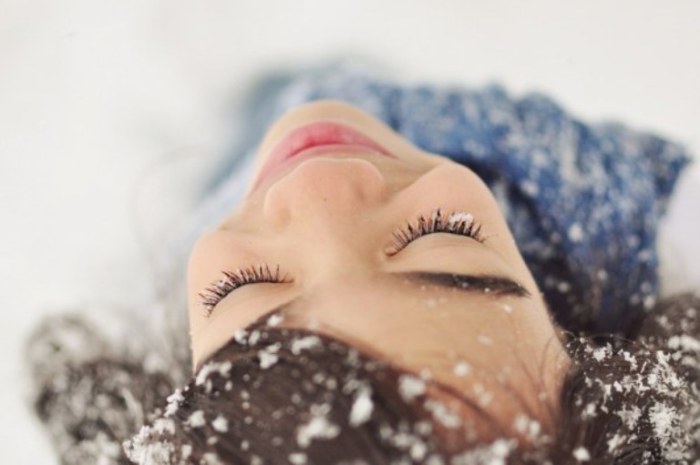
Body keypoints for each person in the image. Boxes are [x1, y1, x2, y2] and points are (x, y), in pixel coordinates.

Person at [27, 64, 700, 465]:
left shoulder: (153, 368)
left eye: (246, 287)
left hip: (227, 171)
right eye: (439, 234)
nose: (315, 183)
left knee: (262, 111)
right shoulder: (594, 213)